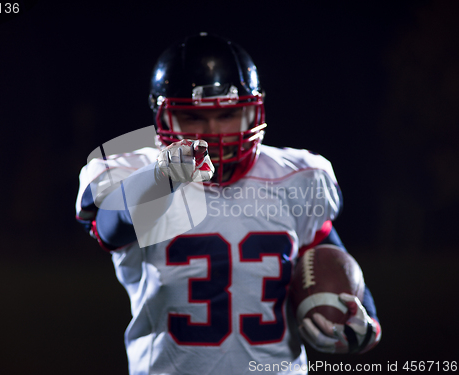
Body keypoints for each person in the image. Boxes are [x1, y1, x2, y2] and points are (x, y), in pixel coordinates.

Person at [75, 33, 381, 375]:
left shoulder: (294, 177)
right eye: (194, 118)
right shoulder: (138, 177)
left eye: (228, 115)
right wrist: (159, 179)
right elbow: (109, 228)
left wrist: (364, 317)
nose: (212, 131)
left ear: (253, 112)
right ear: (165, 119)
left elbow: (326, 251)